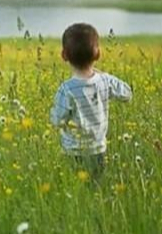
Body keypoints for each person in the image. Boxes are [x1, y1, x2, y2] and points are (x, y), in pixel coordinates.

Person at [49, 23, 132, 178]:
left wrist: (53, 115)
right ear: (98, 54)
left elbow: (57, 120)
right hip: (98, 151)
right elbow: (127, 93)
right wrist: (104, 75)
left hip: (73, 152)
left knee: (76, 193)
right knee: (96, 189)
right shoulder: (105, 81)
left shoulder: (66, 89)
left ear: (64, 55)